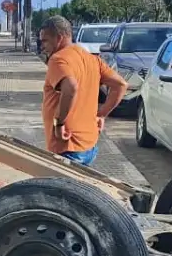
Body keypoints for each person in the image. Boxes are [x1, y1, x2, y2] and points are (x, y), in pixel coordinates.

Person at [37, 16, 128, 166]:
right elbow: (121, 85)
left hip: (67, 148)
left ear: (59, 37)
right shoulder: (91, 59)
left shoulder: (58, 59)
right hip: (89, 147)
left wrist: (59, 124)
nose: (42, 46)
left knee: (60, 189)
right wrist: (102, 114)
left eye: (45, 40)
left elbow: (71, 86)